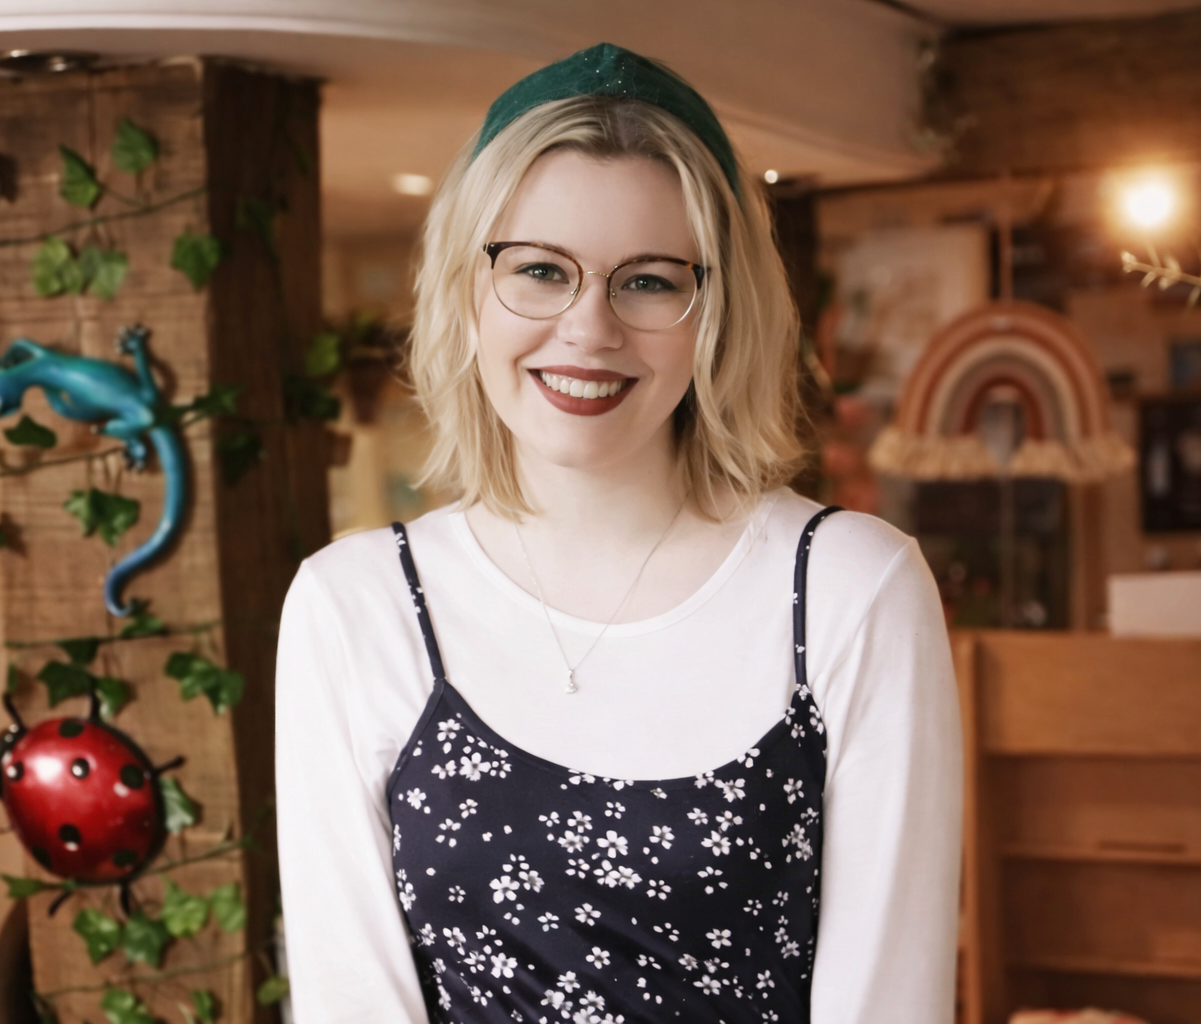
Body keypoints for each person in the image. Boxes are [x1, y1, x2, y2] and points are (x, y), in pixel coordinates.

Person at [275, 42, 960, 1024]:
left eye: (647, 281)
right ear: (470, 292)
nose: (589, 329)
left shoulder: (854, 589)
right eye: (542, 270)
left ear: (717, 309)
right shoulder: (357, 606)